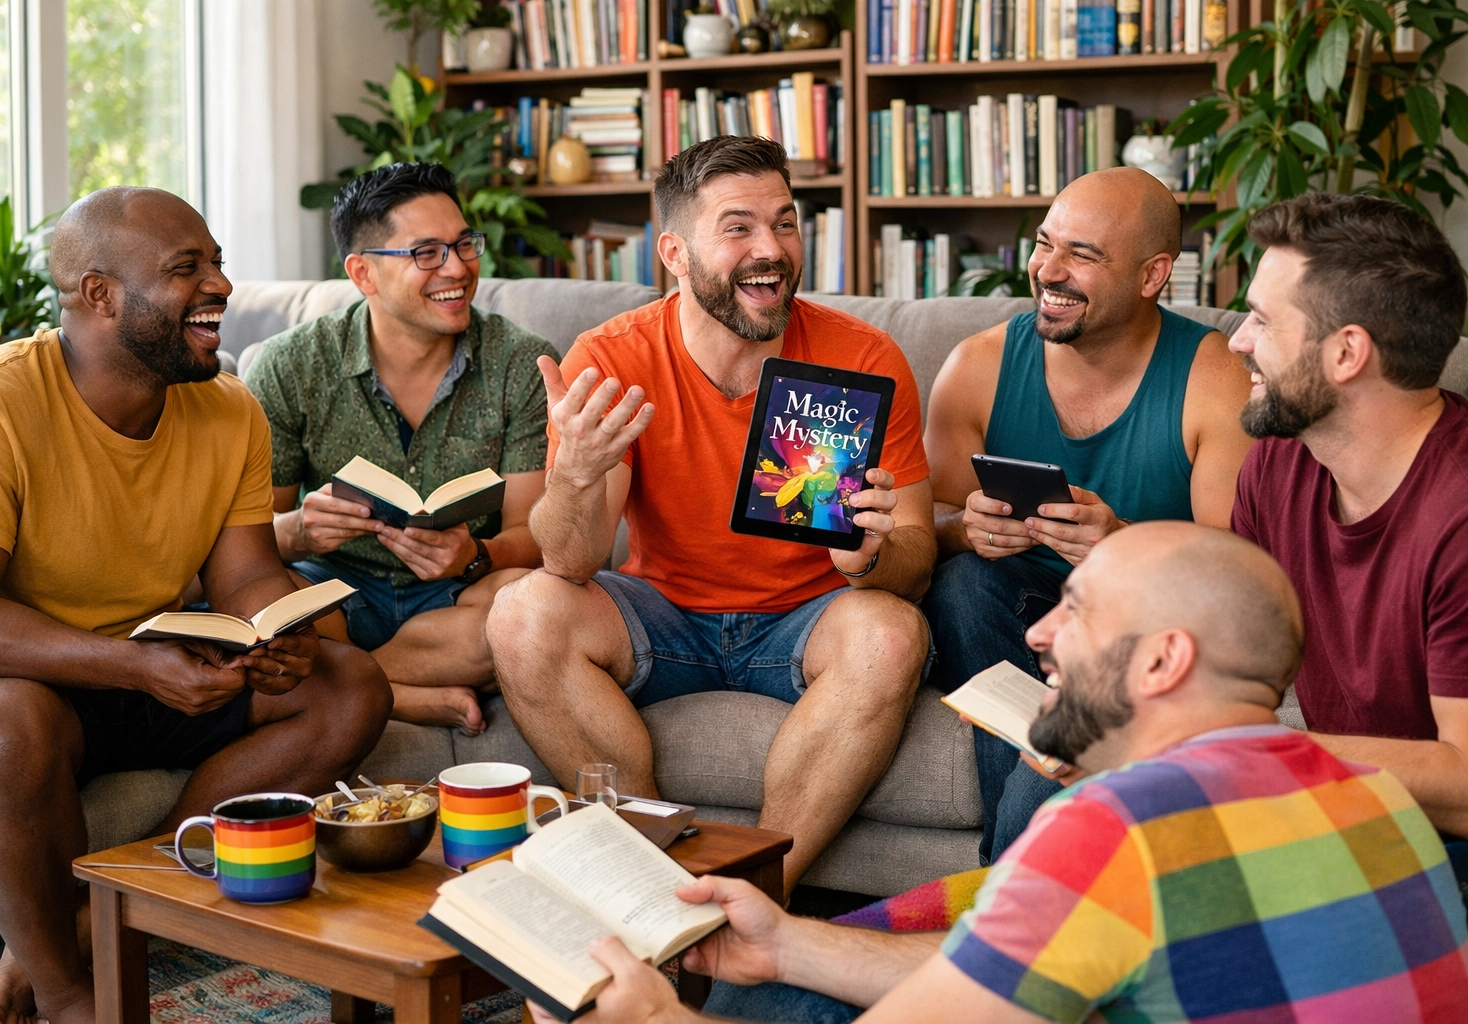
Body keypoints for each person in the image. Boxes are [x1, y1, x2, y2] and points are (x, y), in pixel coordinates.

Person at [531, 522, 1468, 1024]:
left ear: (1160, 663)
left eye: (1077, 610)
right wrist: (792, 941)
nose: (1037, 635)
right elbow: (1045, 966)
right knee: (775, 979)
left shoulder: (1121, 828)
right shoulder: (1371, 798)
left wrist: (653, 1018)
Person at [0, 187, 391, 1024]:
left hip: (152, 664)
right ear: (98, 294)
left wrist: (272, 633)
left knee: (347, 685)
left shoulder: (228, 408)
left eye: (216, 260)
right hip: (19, 678)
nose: (219, 284)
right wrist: (130, 665)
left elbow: (247, 575)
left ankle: (130, 896)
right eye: (188, 269)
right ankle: (72, 997)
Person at [486, 135, 936, 892]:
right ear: (674, 251)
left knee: (893, 634)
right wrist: (571, 479)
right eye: (738, 228)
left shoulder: (862, 358)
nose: (772, 250)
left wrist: (870, 556)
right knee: (521, 614)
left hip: (809, 617)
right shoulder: (612, 356)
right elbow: (569, 563)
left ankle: (755, 890)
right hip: (665, 616)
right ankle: (647, 877)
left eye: (785, 223)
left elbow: (917, 557)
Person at [921, 167, 1253, 863]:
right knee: (963, 583)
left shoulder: (1213, 376)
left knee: (1054, 756)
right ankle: (1031, 811)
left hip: (1142, 625)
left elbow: (1240, 572)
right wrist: (965, 530)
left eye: (1084, 255)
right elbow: (927, 526)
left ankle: (1002, 882)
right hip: (1012, 616)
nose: (1049, 270)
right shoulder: (978, 365)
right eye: (1045, 244)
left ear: (1152, 274)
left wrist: (1124, 545)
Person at [244, 163, 558, 734]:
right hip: (335, 593)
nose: (459, 269)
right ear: (363, 273)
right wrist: (299, 532)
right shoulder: (291, 365)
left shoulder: (521, 364)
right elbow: (245, 539)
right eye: (427, 253)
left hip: (458, 599)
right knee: (266, 607)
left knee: (529, 606)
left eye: (464, 244)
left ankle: (367, 687)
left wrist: (474, 556)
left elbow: (533, 535)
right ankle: (402, 692)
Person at [1228, 192, 1468, 873]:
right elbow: (1230, 644)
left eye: (1262, 321)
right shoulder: (1281, 459)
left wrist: (1233, 754)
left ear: (1346, 353)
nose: (1238, 341)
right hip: (1361, 814)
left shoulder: (1458, 514)